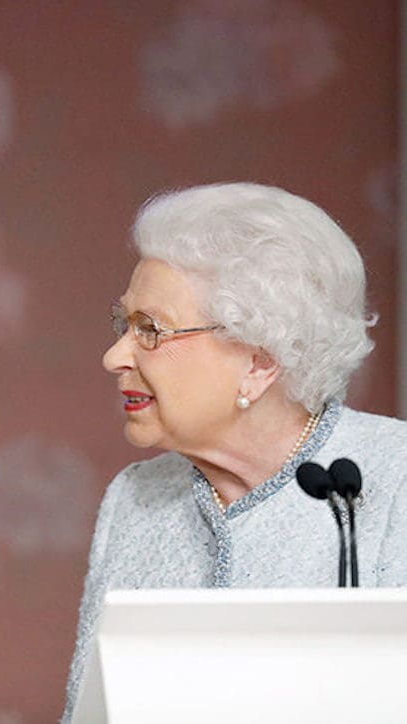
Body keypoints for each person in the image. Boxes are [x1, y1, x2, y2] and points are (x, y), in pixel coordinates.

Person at [60, 182, 407, 722]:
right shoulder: (135, 498)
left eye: (150, 330)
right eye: (124, 325)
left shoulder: (395, 475)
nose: (115, 356)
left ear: (260, 362)